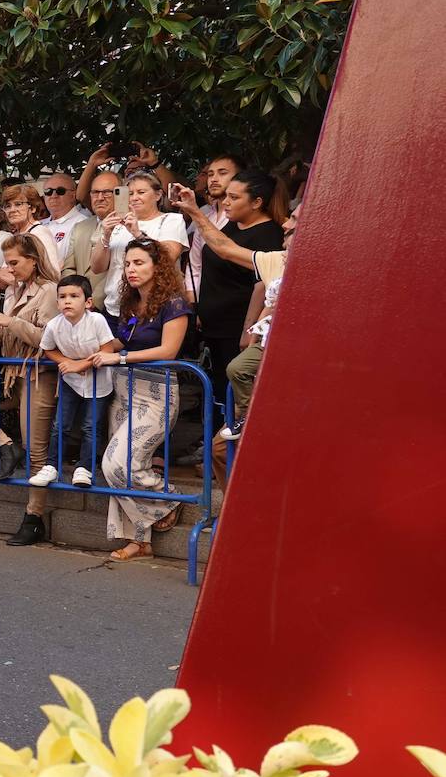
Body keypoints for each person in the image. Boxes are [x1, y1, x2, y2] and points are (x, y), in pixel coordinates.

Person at [88, 238, 192, 561]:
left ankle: (168, 498)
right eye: (128, 264)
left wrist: (118, 359)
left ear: (157, 267)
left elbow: (168, 351)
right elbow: (121, 341)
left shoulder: (174, 303)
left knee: (116, 463)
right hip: (124, 390)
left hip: (157, 393)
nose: (131, 270)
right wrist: (91, 354)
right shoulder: (130, 303)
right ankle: (139, 541)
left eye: (139, 263)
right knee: (126, 463)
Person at [174, 189, 298, 440]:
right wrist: (195, 211)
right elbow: (226, 249)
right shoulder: (279, 260)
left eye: (295, 219)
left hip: (299, 356)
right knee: (221, 448)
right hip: (270, 346)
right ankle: (249, 419)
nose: (285, 223)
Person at [0, 233, 60, 546]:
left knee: (36, 447)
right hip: (12, 373)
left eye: (14, 262)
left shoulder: (50, 291)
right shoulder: (15, 291)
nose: (9, 268)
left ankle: (34, 516)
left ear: (33, 259)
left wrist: (9, 323)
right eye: (6, 262)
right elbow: (14, 334)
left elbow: (48, 338)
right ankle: (6, 445)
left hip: (38, 374)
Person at [187, 169, 287, 409]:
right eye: (226, 196)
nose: (226, 202)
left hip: (238, 329)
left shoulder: (269, 235)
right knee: (218, 389)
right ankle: (216, 441)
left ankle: (230, 443)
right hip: (215, 326)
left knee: (234, 392)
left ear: (257, 202)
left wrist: (248, 330)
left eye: (234, 197)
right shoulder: (232, 225)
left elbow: (262, 286)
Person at [32, 275, 121, 488]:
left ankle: (85, 468)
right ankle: (51, 466)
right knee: (59, 425)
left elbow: (107, 350)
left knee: (91, 427)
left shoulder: (97, 320)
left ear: (88, 302)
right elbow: (47, 349)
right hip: (71, 383)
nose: (67, 301)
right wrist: (66, 362)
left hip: (99, 384)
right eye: (62, 297)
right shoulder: (54, 325)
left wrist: (80, 365)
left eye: (74, 296)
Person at [90, 171, 187, 327]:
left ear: (157, 195)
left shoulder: (171, 220)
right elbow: (96, 267)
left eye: (141, 192)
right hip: (115, 308)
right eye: (130, 193)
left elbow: (167, 258)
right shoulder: (118, 224)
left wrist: (137, 233)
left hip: (153, 309)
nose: (134, 197)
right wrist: (106, 236)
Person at [185, 154, 245, 301]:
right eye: (210, 174)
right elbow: (195, 266)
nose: (214, 179)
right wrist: (193, 302)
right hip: (205, 308)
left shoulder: (244, 216)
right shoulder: (206, 215)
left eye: (223, 173)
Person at [59, 169, 117, 302]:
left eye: (107, 192)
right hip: (77, 306)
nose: (100, 197)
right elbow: (69, 268)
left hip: (108, 305)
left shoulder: (128, 226)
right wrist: (73, 297)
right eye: (95, 192)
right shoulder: (80, 227)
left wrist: (93, 301)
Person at [0, 183, 61, 272]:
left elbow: (53, 272)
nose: (12, 210)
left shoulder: (40, 233)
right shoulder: (15, 236)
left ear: (33, 208)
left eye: (18, 204)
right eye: (8, 206)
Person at [39, 173, 91, 264]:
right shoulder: (38, 225)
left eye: (60, 191)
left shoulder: (82, 224)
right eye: (48, 191)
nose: (53, 196)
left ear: (72, 195)